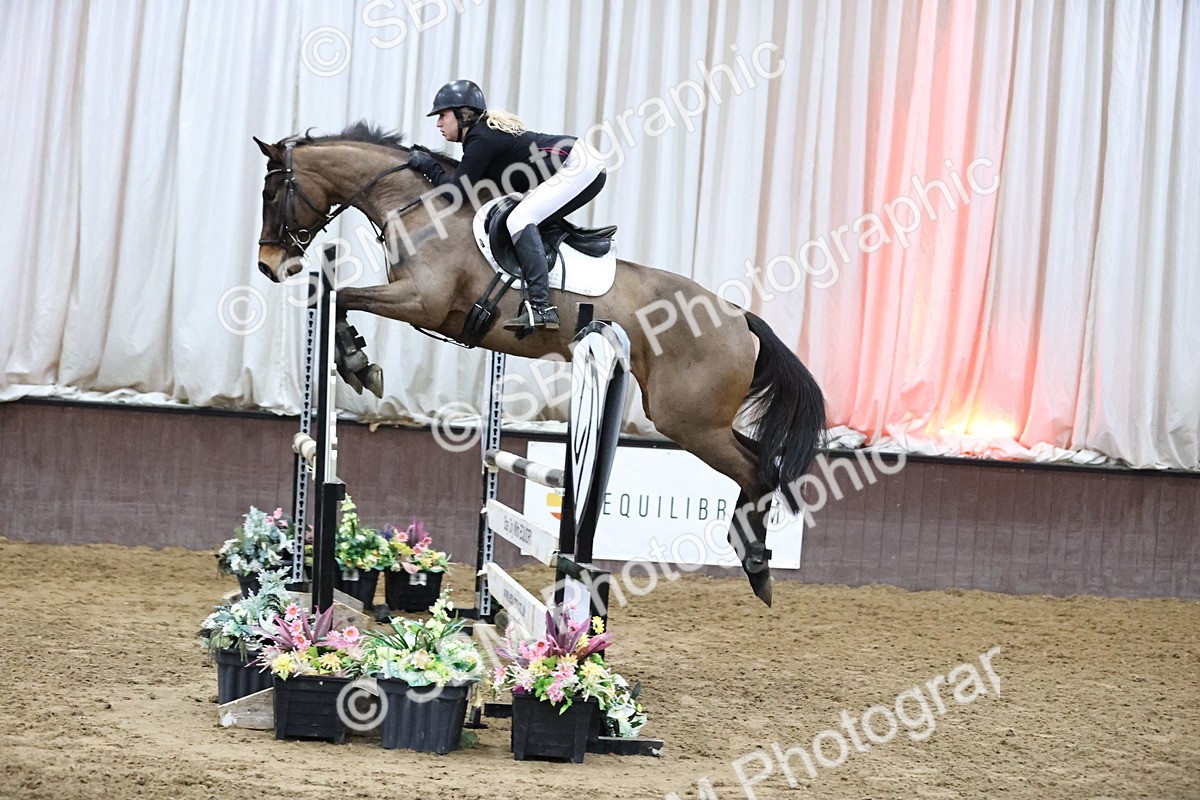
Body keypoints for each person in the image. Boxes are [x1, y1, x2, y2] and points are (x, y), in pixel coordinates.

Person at [405, 80, 606, 332]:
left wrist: (427, 165)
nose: (438, 123)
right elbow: (466, 180)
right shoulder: (479, 138)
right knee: (525, 215)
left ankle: (543, 308)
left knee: (519, 220)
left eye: (443, 115)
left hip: (580, 165)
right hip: (580, 161)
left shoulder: (481, 138)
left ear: (463, 114)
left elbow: (456, 192)